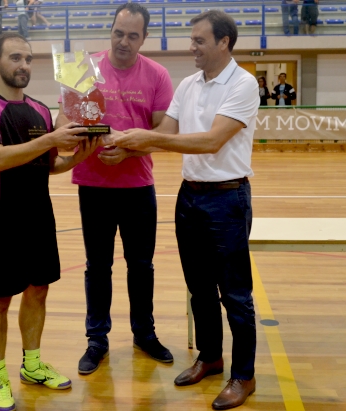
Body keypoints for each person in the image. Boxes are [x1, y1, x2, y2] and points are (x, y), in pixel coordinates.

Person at [112, 9, 259, 410]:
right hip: (189, 196)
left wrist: (142, 139)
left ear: (223, 43)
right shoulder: (189, 84)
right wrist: (124, 143)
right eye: (192, 39)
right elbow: (165, 134)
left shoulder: (244, 84)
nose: (191, 47)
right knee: (199, 290)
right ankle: (211, 357)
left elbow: (211, 141)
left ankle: (244, 375)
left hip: (227, 199)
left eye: (199, 40)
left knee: (235, 294)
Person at [0, 33, 100, 411]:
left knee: (39, 289)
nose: (23, 65)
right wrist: (52, 139)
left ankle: (33, 366)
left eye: (29, 59)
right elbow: (0, 159)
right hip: (1, 219)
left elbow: (46, 165)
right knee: (0, 298)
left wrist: (76, 158)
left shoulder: (41, 110)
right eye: (15, 57)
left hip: (40, 216)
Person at [53, 2, 174, 375]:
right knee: (97, 267)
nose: (124, 41)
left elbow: (164, 135)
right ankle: (97, 340)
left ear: (144, 38)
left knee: (142, 266)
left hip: (138, 187)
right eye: (118, 33)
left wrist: (128, 149)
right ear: (111, 30)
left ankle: (144, 334)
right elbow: (61, 129)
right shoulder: (82, 69)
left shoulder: (157, 75)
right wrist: (81, 136)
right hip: (93, 186)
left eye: (132, 35)